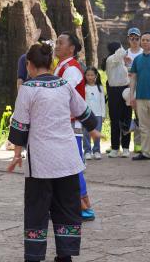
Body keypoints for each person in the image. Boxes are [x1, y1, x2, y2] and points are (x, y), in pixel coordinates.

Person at [6, 42, 100, 262]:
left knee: (37, 210)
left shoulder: (28, 89)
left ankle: (34, 256)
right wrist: (94, 130)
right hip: (67, 160)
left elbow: (20, 126)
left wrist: (17, 154)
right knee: (67, 208)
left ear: (29, 64)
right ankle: (64, 256)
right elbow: (84, 111)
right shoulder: (64, 85)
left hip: (41, 163)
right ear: (51, 62)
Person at [54, 32, 95, 221]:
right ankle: (67, 205)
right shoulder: (62, 67)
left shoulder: (72, 69)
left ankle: (84, 206)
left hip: (71, 125)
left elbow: (62, 94)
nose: (56, 45)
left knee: (73, 165)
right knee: (64, 165)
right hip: (64, 124)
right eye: (56, 42)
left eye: (60, 43)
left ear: (71, 48)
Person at [129, 31, 150, 160]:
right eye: (143, 40)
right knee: (143, 126)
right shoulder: (137, 59)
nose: (145, 42)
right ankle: (145, 152)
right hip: (140, 97)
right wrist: (132, 96)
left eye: (148, 40)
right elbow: (133, 78)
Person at [104, 42, 132, 158]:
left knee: (127, 118)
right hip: (114, 91)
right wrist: (124, 51)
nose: (123, 49)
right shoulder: (111, 59)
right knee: (115, 120)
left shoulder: (121, 61)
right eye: (120, 47)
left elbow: (128, 73)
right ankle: (115, 148)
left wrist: (128, 64)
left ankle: (125, 148)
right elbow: (121, 53)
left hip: (126, 90)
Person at [83, 67, 105, 160]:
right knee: (86, 133)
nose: (90, 77)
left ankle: (96, 150)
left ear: (96, 76)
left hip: (98, 114)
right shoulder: (84, 87)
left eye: (92, 75)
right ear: (85, 76)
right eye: (88, 75)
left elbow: (102, 102)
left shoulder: (100, 87)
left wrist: (103, 115)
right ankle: (87, 151)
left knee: (97, 133)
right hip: (87, 115)